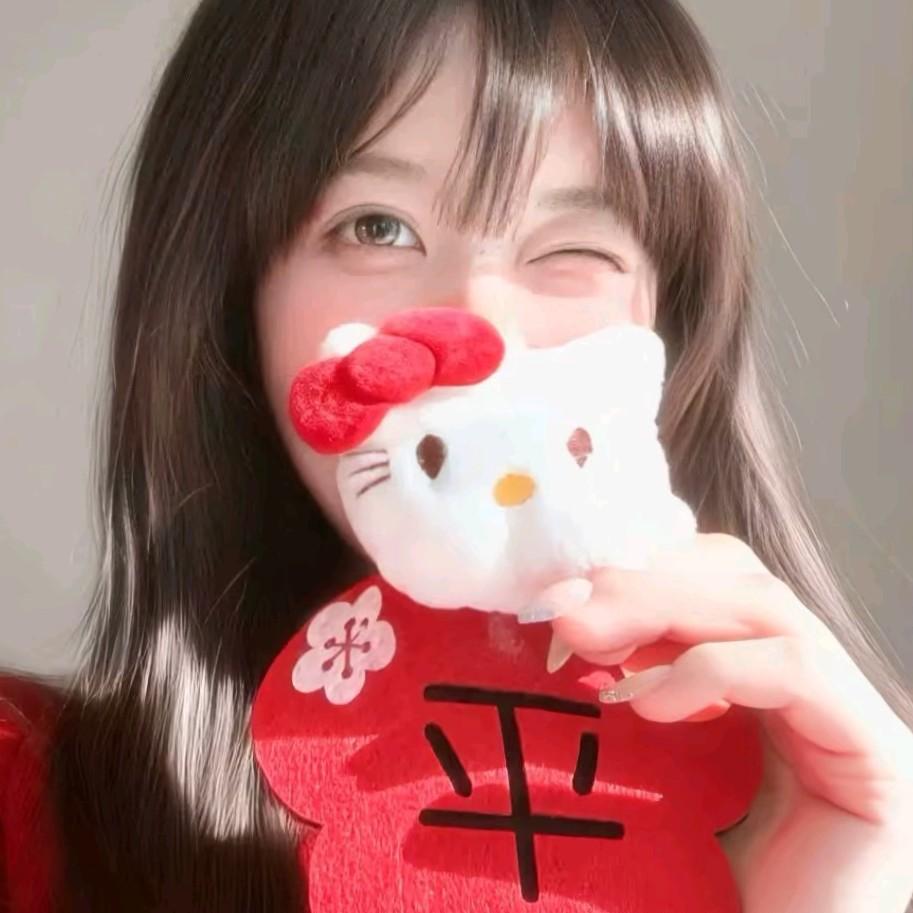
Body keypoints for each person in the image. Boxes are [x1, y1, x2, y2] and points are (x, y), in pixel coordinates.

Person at [2, 0, 912, 910]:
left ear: (666, 336)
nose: (478, 333)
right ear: (229, 300)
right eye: (375, 227)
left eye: (571, 245)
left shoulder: (840, 805)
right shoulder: (22, 816)